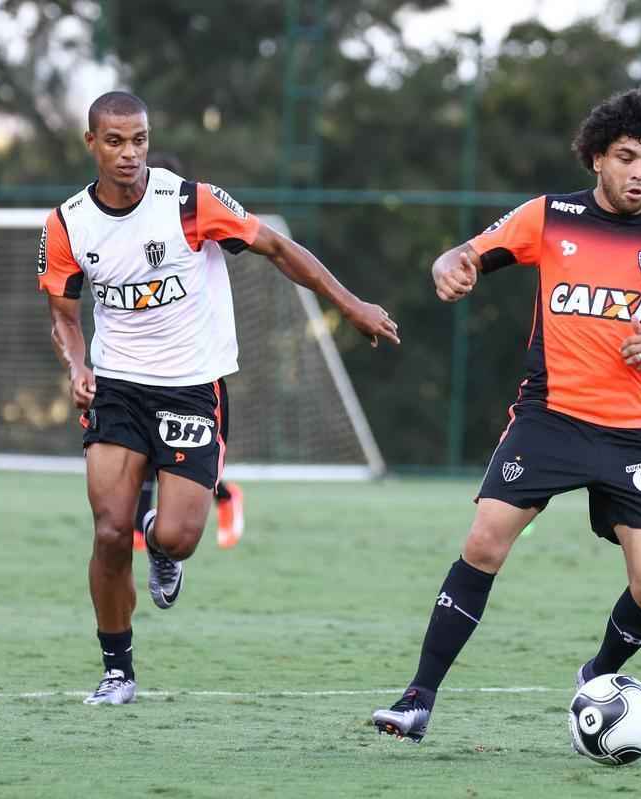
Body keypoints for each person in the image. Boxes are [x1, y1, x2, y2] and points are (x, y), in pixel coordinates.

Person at [372, 88, 641, 743]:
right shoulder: (550, 217)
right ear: (596, 159)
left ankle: (598, 678)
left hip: (632, 435)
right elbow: (466, 253)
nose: (640, 172)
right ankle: (418, 697)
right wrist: (452, 265)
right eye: (626, 158)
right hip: (548, 420)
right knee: (484, 541)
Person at [39, 91, 400, 705]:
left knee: (178, 536)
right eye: (116, 141)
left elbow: (280, 250)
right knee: (106, 531)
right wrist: (77, 367)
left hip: (191, 387)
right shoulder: (68, 223)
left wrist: (352, 305)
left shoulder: (189, 201)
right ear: (92, 144)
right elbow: (65, 318)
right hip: (119, 386)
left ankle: (161, 545)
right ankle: (117, 671)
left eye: (140, 140)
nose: (130, 154)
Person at [128, 153, 244, 552]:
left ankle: (224, 497)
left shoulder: (193, 219)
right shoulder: (121, 232)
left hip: (191, 373)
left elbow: (259, 242)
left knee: (184, 467)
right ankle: (142, 532)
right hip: (138, 370)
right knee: (139, 455)